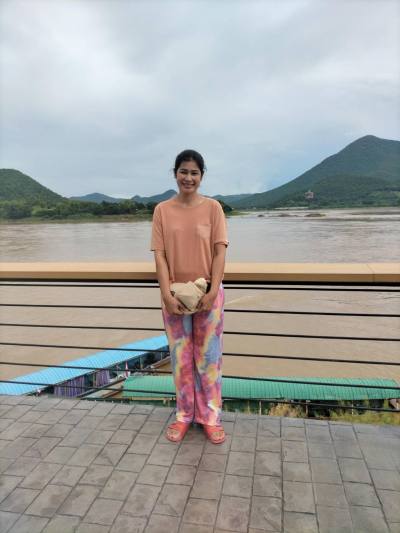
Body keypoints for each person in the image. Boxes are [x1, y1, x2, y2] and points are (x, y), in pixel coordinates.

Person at [150, 149, 229, 444]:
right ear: (175, 174)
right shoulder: (162, 210)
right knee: (181, 359)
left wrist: (212, 290)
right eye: (183, 171)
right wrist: (166, 295)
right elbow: (160, 256)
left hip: (208, 291)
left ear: (201, 176)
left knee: (209, 358)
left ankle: (210, 417)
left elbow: (220, 252)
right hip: (174, 294)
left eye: (194, 172)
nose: (188, 177)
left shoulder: (213, 208)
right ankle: (184, 415)